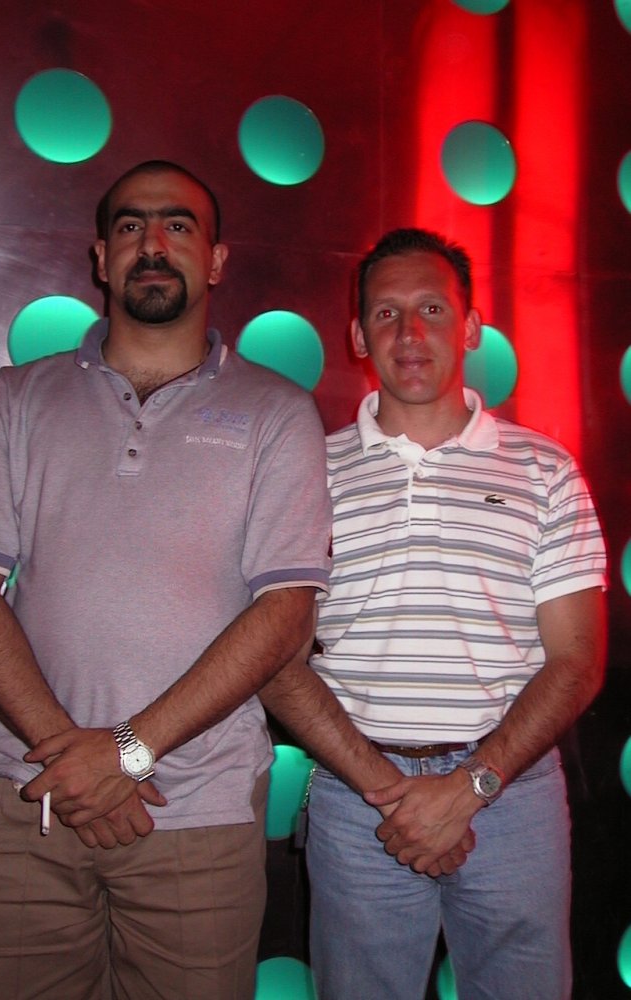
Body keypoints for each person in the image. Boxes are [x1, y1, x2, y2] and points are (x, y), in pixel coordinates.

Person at [0, 160, 332, 1000]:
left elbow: (286, 615)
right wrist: (75, 762)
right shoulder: (15, 398)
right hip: (27, 802)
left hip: (198, 815)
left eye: (179, 225)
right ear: (100, 258)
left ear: (216, 260)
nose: (153, 243)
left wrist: (127, 750)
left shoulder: (279, 413)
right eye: (130, 226)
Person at [260, 228, 607, 1000]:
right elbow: (277, 662)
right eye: (386, 314)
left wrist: (469, 787)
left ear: (472, 327)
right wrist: (391, 791)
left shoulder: (547, 470)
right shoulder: (305, 472)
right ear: (358, 337)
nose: (410, 333)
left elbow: (578, 660)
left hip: (512, 797)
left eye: (432, 309)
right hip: (357, 799)